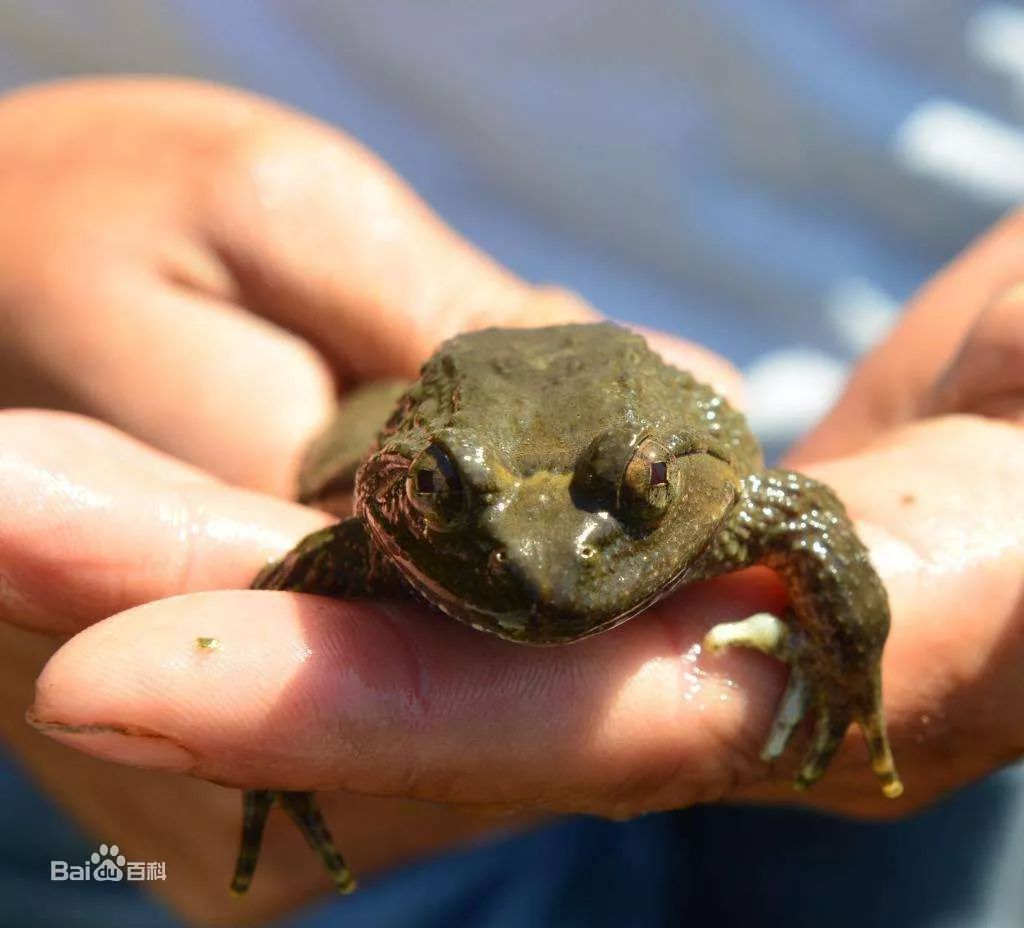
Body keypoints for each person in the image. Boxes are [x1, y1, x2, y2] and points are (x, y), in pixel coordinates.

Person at [1, 7, 1023, 928]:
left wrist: (845, 666)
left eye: (633, 498)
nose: (546, 571)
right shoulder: (366, 538)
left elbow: (803, 514)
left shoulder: (727, 506)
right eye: (446, 499)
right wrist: (265, 759)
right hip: (184, 335)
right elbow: (300, 568)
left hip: (898, 372)